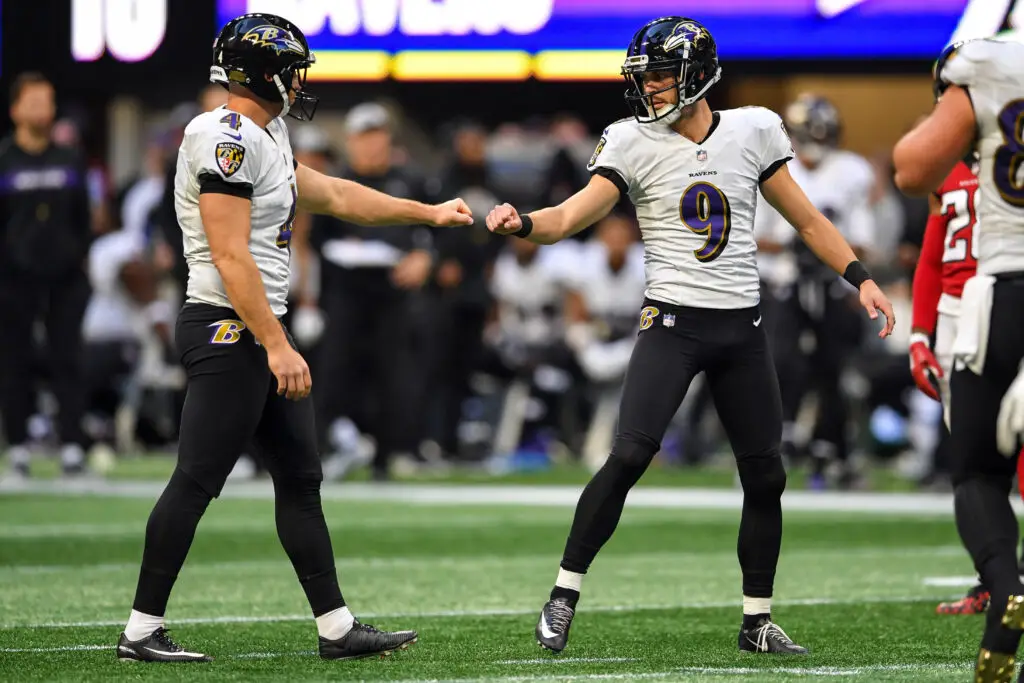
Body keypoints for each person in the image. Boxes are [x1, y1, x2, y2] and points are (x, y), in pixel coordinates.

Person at [486, 16, 894, 655]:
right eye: (643, 77)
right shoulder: (630, 140)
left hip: (744, 327)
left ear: (697, 77)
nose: (647, 89)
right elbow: (569, 216)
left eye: (658, 76)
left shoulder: (754, 128)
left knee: (766, 477)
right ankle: (563, 594)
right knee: (627, 456)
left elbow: (807, 219)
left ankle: (756, 620)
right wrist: (523, 223)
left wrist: (859, 277)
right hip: (672, 323)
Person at [116, 12, 472, 663]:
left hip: (255, 326)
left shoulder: (266, 132)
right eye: (291, 69)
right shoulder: (222, 137)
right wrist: (276, 342)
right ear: (262, 72)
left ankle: (335, 626)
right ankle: (140, 628)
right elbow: (229, 256)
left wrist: (429, 213)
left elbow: (334, 193)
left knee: (301, 477)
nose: (298, 81)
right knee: (198, 476)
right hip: (228, 326)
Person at [894, 34, 1024, 681]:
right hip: (962, 308)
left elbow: (910, 164)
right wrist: (922, 332)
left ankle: (1008, 586)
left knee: (977, 470)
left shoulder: (988, 69)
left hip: (997, 295)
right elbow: (929, 253)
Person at [757, 93, 877, 489]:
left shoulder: (850, 171)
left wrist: (820, 249)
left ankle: (832, 447)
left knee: (834, 369)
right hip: (783, 281)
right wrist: (796, 245)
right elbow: (755, 236)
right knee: (780, 363)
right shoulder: (774, 167)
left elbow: (861, 240)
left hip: (831, 283)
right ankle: (777, 443)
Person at [0, 72, 93, 477]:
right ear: (16, 109)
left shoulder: (70, 159)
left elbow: (84, 218)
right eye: (35, 101)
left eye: (49, 101)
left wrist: (77, 256)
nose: (44, 110)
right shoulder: (4, 160)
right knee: (13, 360)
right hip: (13, 277)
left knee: (66, 358)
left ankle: (72, 443)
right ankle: (18, 445)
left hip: (65, 276)